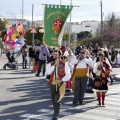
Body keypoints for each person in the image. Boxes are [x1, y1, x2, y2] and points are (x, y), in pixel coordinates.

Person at [46, 50, 71, 120]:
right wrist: (54, 65)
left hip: (60, 84)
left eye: (56, 54)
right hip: (52, 83)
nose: (55, 55)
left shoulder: (64, 64)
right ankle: (56, 113)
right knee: (54, 100)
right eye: (54, 54)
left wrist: (61, 80)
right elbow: (48, 72)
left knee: (58, 100)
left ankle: (55, 116)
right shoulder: (51, 63)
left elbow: (68, 75)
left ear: (60, 55)